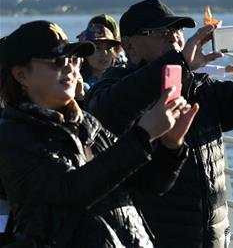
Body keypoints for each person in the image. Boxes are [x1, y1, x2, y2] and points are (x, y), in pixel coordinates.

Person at [85, 0, 233, 248]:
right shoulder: (113, 86)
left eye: (177, 31)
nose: (173, 38)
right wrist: (178, 65)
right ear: (129, 46)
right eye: (160, 32)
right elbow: (106, 113)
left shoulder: (200, 89)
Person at [0, 20, 197, 247]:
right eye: (57, 61)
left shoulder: (87, 123)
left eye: (74, 59)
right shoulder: (14, 136)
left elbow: (147, 184)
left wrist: (171, 145)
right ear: (21, 75)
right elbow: (71, 192)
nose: (70, 67)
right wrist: (143, 135)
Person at [77, 21, 122, 91]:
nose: (104, 53)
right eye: (97, 48)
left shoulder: (122, 78)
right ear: (84, 52)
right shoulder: (76, 84)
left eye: (109, 48)